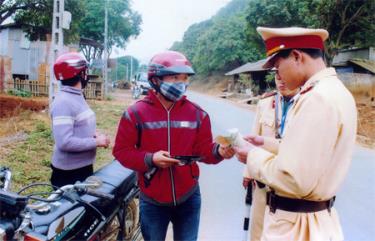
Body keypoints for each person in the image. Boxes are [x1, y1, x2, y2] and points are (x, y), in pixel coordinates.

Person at [235, 27, 357, 241]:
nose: (278, 74)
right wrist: (267, 144)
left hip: (296, 227)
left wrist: (252, 156)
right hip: (317, 219)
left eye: (277, 66)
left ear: (296, 56)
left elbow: (293, 179)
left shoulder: (316, 98)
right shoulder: (336, 91)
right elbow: (313, 155)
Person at [113, 50, 235, 241]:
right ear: (155, 80)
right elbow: (121, 151)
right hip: (152, 200)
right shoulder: (135, 114)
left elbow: (203, 151)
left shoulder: (198, 114)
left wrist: (219, 151)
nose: (181, 83)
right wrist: (151, 159)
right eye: (174, 77)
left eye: (185, 78)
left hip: (189, 198)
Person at [242, 76, 299, 241]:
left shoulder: (306, 104)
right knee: (258, 229)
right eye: (277, 77)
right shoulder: (265, 103)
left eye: (284, 77)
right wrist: (248, 171)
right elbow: (254, 136)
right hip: (262, 178)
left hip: (287, 179)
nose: (281, 81)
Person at [50, 52, 110, 188]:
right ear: (80, 74)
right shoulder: (64, 102)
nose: (87, 75)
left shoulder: (76, 96)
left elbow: (78, 124)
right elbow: (64, 142)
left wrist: (94, 135)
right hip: (69, 173)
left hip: (82, 167)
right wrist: (96, 142)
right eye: (85, 71)